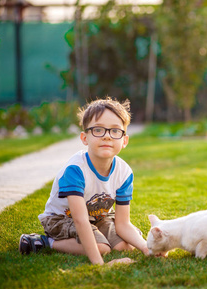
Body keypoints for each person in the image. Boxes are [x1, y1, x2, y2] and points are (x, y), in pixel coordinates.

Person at [19, 98, 149, 266]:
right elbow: (80, 220)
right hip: (61, 219)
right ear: (84, 137)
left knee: (126, 245)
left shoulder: (124, 172)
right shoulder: (75, 169)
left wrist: (147, 248)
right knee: (102, 248)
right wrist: (100, 264)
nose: (107, 136)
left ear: (124, 140)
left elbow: (123, 223)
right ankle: (42, 242)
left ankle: (104, 238)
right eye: (98, 130)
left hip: (97, 216)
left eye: (115, 131)